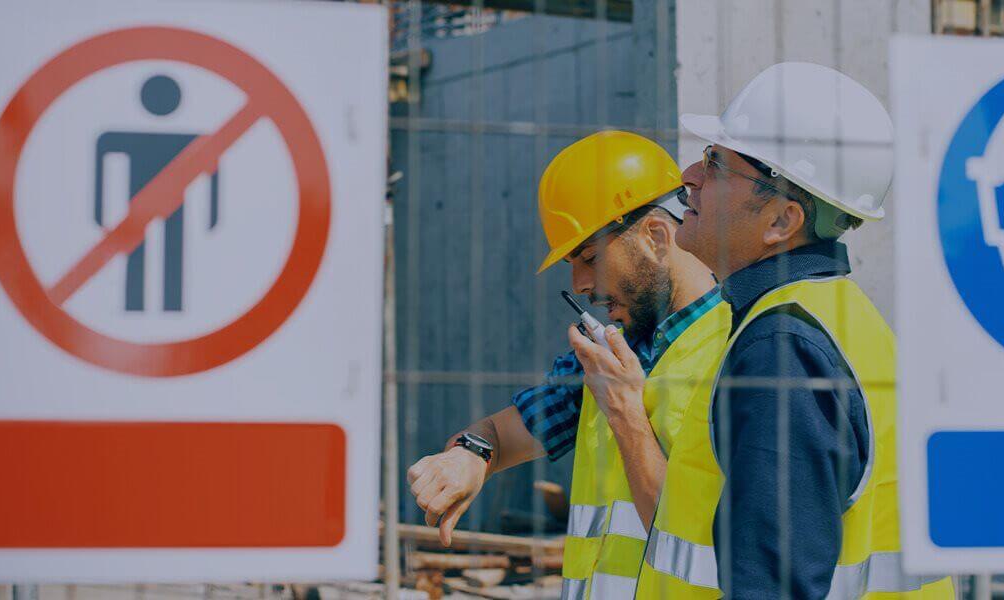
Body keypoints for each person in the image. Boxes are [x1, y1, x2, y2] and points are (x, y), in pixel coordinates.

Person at [597, 62, 953, 599]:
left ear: (782, 222)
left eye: (716, 164)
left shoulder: (783, 348)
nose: (688, 175)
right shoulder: (836, 320)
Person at [404, 131, 728, 599]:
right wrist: (470, 456)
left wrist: (625, 412)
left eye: (590, 258)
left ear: (656, 236)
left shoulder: (741, 350)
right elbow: (502, 434)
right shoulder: (615, 354)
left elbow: (708, 546)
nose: (579, 284)